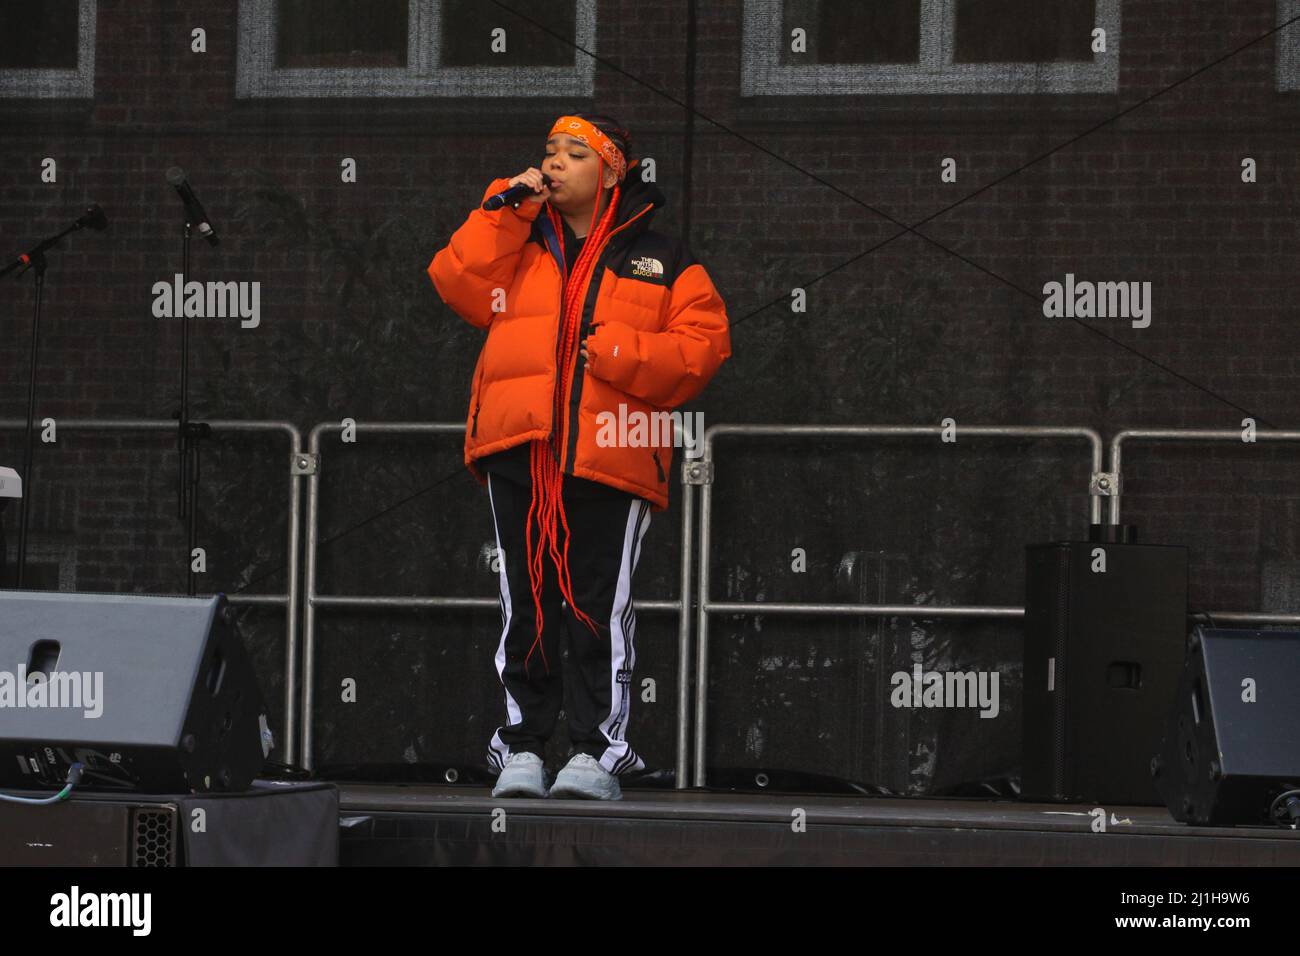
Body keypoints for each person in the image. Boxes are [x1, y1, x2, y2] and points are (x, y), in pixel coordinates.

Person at [428, 113, 731, 800]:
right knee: (526, 606)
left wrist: (626, 353)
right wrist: (504, 206)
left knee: (598, 607)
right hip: (520, 445)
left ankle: (601, 750)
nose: (553, 163)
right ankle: (523, 747)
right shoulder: (519, 240)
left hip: (612, 453)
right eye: (547, 153)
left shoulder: (661, 255)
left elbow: (705, 344)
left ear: (613, 171)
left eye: (573, 153)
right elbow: (457, 281)